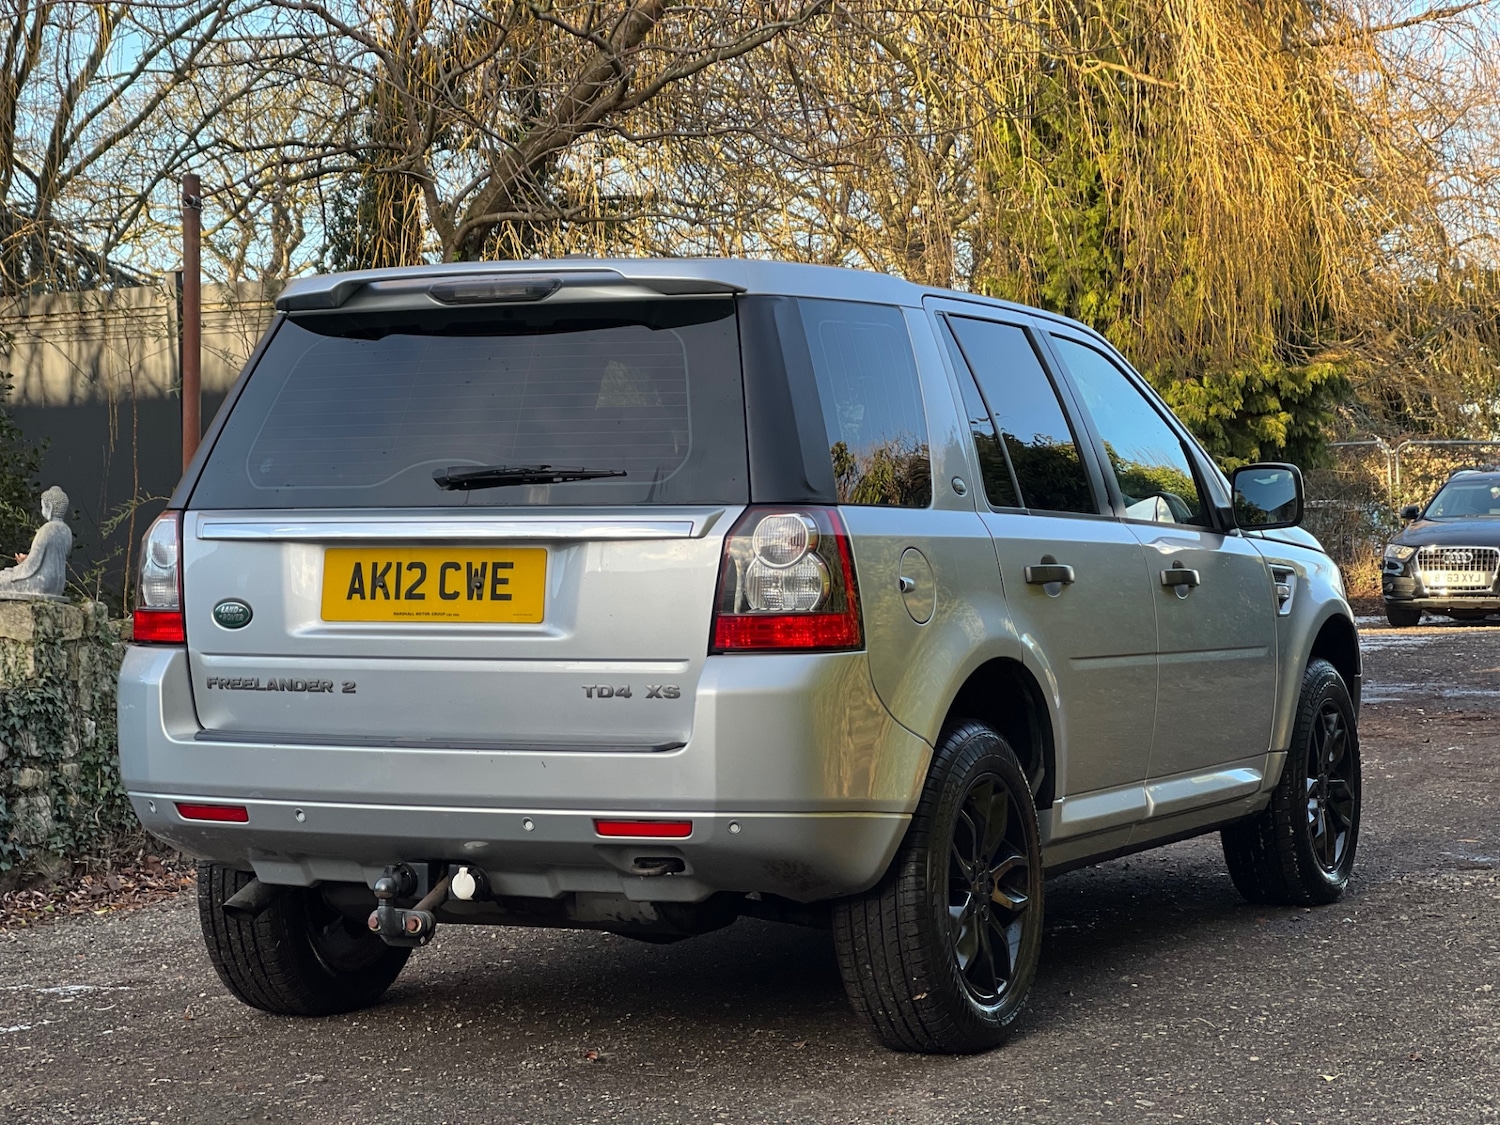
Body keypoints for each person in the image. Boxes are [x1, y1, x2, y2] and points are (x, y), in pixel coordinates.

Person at [0, 485, 72, 598]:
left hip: (41, 581)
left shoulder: (47, 529)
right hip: (58, 584)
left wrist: (18, 569)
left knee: (2, 577)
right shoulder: (67, 531)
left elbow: (32, 564)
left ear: (50, 508)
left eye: (43, 506)